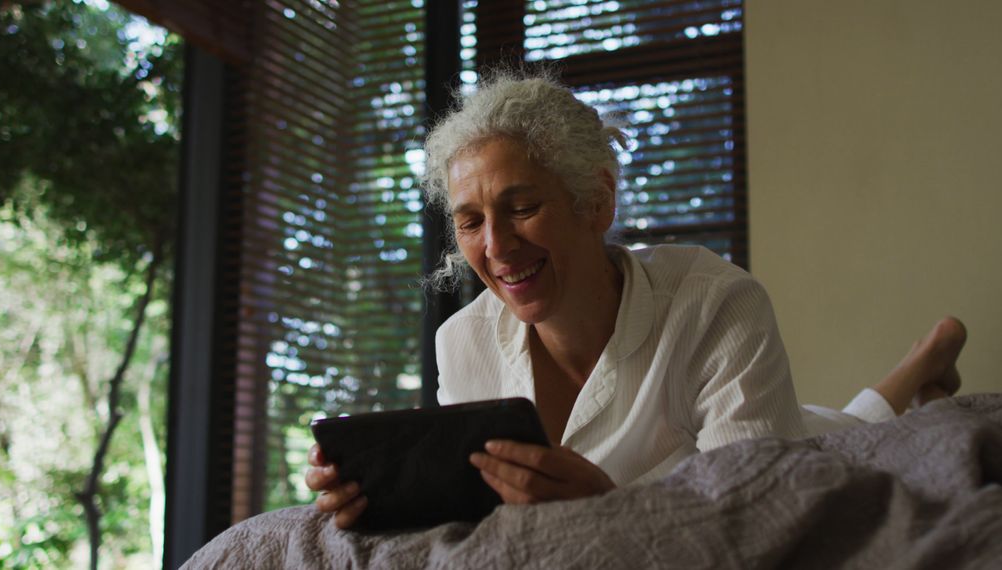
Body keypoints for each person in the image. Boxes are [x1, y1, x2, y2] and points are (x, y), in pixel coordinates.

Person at [305, 73, 967, 529]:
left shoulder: (717, 304)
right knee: (849, 419)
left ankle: (925, 361)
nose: (498, 246)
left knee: (852, 442)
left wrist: (616, 506)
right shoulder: (462, 344)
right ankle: (916, 370)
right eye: (471, 220)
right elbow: (476, 511)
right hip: (784, 425)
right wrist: (373, 497)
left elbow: (761, 514)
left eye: (523, 207)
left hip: (795, 441)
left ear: (596, 200)